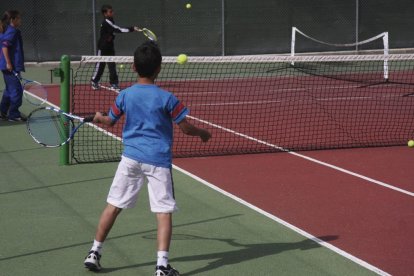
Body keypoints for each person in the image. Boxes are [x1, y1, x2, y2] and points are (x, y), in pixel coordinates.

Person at [84, 41, 212, 276]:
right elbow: (185, 128)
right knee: (163, 212)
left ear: (133, 67)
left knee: (113, 206)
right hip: (158, 161)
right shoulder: (168, 98)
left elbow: (110, 121)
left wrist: (99, 117)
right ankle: (162, 267)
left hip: (130, 159)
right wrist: (203, 133)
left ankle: (94, 252)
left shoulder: (125, 95)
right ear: (159, 68)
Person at [91, 4, 140, 91]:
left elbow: (113, 32)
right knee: (100, 66)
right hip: (103, 47)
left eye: (112, 11)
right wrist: (132, 28)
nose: (113, 12)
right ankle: (94, 81)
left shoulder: (111, 20)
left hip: (110, 47)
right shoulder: (106, 22)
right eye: (110, 11)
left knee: (112, 66)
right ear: (105, 14)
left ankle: (114, 83)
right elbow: (118, 29)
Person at [0, 10, 25, 122]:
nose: (20, 20)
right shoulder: (12, 31)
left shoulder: (8, 30)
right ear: (12, 19)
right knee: (16, 91)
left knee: (9, 90)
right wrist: (9, 63)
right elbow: (5, 46)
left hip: (6, 66)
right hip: (10, 66)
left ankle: (2, 111)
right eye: (18, 18)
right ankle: (14, 115)